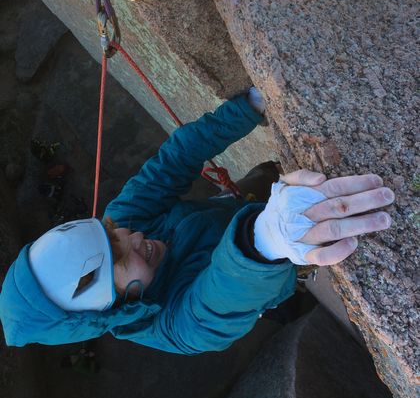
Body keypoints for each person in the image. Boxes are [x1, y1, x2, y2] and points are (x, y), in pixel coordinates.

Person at [0, 88, 394, 354]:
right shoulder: (173, 328)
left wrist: (249, 105)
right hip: (264, 268)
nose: (131, 235)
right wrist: (265, 241)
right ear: (111, 305)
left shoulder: (122, 220)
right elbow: (219, 301)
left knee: (268, 176)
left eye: (109, 234)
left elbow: (174, 161)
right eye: (121, 258)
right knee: (291, 282)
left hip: (236, 211)